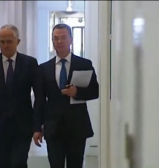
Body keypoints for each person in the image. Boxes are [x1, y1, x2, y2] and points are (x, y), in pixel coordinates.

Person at [33, 23, 99, 168]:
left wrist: (77, 92)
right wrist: (37, 128)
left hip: (77, 126)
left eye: (63, 38)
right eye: (56, 38)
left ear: (71, 39)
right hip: (53, 126)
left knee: (75, 164)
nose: (59, 42)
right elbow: (39, 100)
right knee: (55, 164)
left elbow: (96, 91)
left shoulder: (84, 64)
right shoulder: (44, 68)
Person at [0, 24, 40, 168]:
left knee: (18, 163)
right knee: (2, 163)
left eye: (9, 41)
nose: (5, 45)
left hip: (23, 124)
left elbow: (39, 95)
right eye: (2, 42)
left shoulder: (30, 63)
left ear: (18, 41)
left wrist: (37, 124)